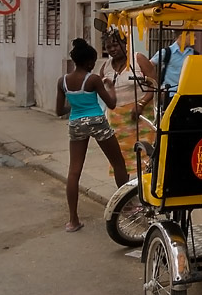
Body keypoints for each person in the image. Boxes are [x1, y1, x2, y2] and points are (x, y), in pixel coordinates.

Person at [55, 38, 129, 232]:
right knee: (118, 163)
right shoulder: (93, 79)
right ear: (89, 62)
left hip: (76, 124)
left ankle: (73, 221)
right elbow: (111, 104)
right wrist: (110, 88)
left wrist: (76, 105)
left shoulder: (63, 81)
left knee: (74, 171)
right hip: (97, 122)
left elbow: (59, 111)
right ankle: (128, 208)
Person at [97, 30, 157, 178]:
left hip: (141, 117)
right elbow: (102, 92)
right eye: (108, 47)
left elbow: (155, 85)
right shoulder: (105, 67)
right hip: (117, 121)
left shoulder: (138, 59)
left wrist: (141, 103)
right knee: (119, 160)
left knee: (145, 157)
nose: (112, 49)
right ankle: (124, 191)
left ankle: (145, 188)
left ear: (125, 44)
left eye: (116, 45)